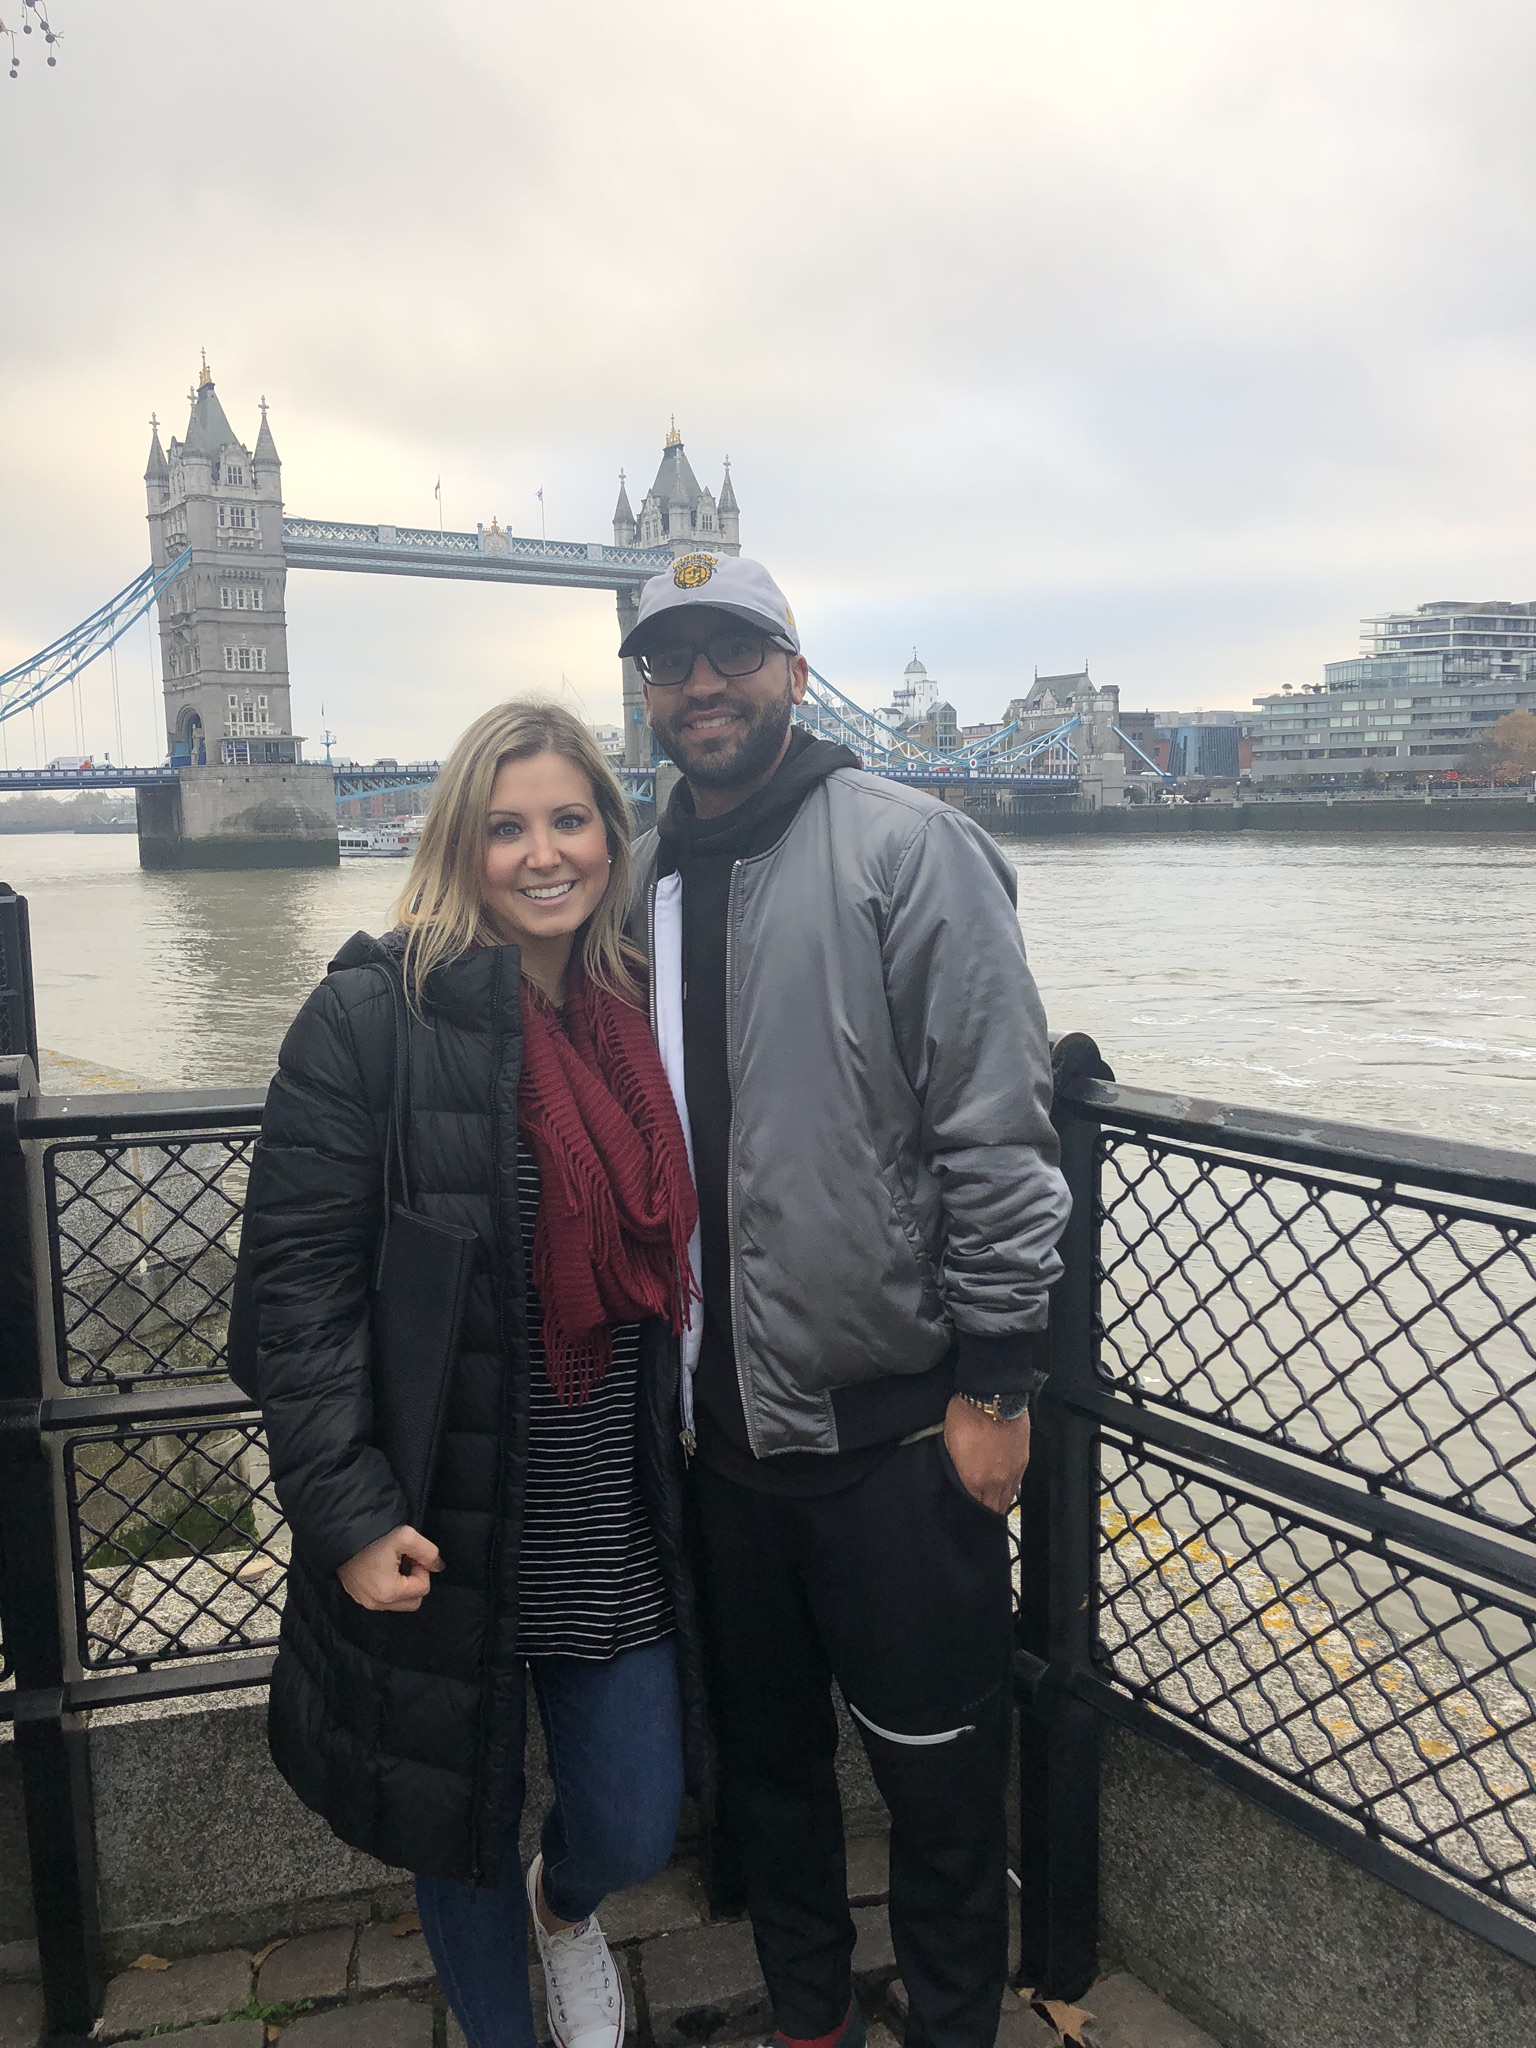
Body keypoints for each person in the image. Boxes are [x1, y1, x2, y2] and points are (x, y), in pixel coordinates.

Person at [620, 556, 1072, 2048]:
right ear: (645, 690)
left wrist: (998, 1381)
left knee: (942, 1791)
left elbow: (999, 1129)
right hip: (720, 1452)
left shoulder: (908, 847)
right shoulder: (636, 876)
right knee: (771, 1785)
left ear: (796, 674)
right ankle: (809, 2025)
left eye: (734, 653)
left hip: (896, 1438)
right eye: (671, 660)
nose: (703, 685)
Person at [243, 702, 703, 2048]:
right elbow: (296, 1297)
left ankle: (570, 1908)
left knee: (634, 1815)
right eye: (507, 828)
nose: (543, 855)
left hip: (611, 1505)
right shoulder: (366, 1017)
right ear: (459, 843)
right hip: (441, 1512)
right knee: (457, 1828)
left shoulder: (648, 1009)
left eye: (570, 820)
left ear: (611, 836)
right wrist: (348, 1516)